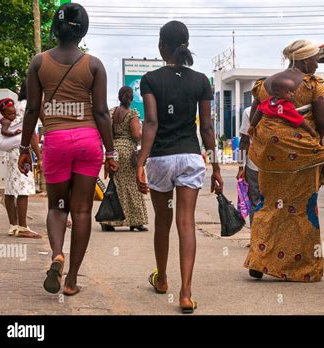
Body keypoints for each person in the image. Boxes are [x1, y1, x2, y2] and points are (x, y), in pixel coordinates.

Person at [18, 3, 117, 296]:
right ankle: (72, 279)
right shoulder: (94, 65)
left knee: (57, 207)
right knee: (82, 210)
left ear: (55, 28)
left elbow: (33, 108)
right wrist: (110, 153)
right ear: (83, 30)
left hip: (57, 142)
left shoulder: (39, 63)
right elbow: (101, 112)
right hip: (88, 142)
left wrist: (26, 148)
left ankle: (57, 255)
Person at [136, 20, 223, 314]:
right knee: (186, 223)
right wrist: (217, 166)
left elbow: (151, 123)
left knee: (163, 220)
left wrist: (140, 162)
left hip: (160, 158)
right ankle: (186, 294)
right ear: (185, 44)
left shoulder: (150, 79)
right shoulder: (201, 81)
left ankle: (162, 280)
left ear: (161, 46)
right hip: (189, 157)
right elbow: (208, 127)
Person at [243, 39, 324, 282]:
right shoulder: (312, 85)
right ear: (304, 60)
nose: (317, 63)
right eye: (316, 58)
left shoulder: (265, 85)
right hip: (300, 158)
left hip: (269, 158)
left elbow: (255, 116)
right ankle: (301, 269)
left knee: (269, 205)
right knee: (301, 209)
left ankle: (259, 260)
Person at [99, 86, 149, 232]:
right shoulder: (132, 114)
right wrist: (145, 132)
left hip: (113, 151)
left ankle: (109, 219)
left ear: (119, 97)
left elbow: (106, 130)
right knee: (132, 185)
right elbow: (136, 135)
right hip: (127, 151)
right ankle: (135, 221)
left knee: (116, 186)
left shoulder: (112, 112)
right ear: (131, 98)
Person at [0, 98, 42, 238]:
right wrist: (39, 158)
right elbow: (32, 135)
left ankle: (13, 226)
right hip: (20, 154)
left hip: (11, 155)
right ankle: (22, 227)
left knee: (10, 189)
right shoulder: (25, 110)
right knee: (23, 190)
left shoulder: (14, 113)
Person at [250, 76, 316, 136]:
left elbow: (258, 113)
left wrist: (252, 126)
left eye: (292, 91)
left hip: (265, 134)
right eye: (288, 92)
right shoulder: (287, 106)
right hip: (280, 137)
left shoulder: (265, 103)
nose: (292, 94)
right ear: (278, 94)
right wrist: (310, 130)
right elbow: (300, 120)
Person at [237, 106, 261, 228]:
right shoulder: (284, 106)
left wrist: (241, 167)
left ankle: (256, 240)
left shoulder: (249, 111)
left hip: (254, 166)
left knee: (255, 202)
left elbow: (244, 141)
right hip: (277, 166)